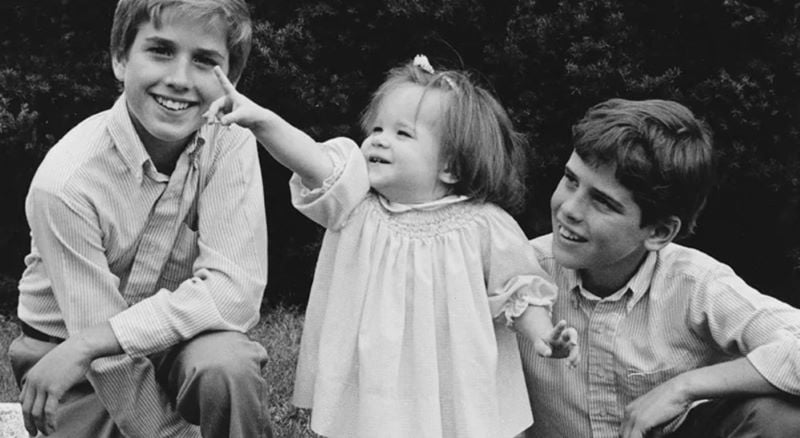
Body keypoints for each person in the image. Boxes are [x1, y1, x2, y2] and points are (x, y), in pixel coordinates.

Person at [204, 55, 580, 437]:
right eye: (378, 128)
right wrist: (262, 121)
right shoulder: (356, 205)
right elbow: (313, 161)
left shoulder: (484, 224)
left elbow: (518, 290)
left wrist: (541, 335)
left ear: (450, 166)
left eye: (403, 134)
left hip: (454, 381)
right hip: (375, 377)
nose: (379, 139)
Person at [9, 0, 272, 437]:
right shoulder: (66, 182)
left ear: (232, 80)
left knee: (227, 365)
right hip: (67, 361)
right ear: (119, 58)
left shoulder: (231, 143)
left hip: (161, 342)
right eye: (161, 51)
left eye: (205, 60)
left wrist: (95, 339)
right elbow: (107, 361)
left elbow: (234, 296)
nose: (180, 80)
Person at [519, 98, 800, 438]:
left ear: (659, 232)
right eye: (571, 180)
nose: (570, 209)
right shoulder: (520, 274)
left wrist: (684, 387)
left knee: (779, 419)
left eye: (602, 202)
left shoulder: (695, 282)